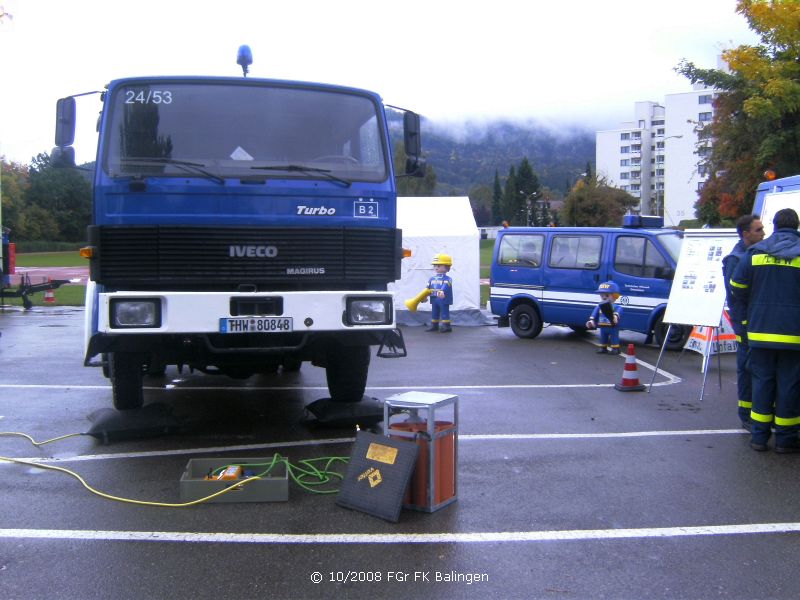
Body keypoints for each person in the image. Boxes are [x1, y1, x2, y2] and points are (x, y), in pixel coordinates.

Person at [730, 208, 800, 453]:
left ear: (776, 225)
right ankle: (785, 440)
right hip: (794, 335)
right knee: (789, 385)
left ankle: (759, 438)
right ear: (797, 226)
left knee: (761, 383)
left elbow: (737, 287)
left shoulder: (756, 252)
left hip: (759, 332)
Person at [722, 214, 765, 431]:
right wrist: (745, 322)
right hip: (745, 323)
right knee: (746, 368)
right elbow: (735, 295)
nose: (763, 233)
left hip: (756, 321)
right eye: (758, 230)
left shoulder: (755, 254)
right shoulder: (735, 259)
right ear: (746, 233)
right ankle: (746, 414)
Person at [586, 281, 623, 354]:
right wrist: (591, 320)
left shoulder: (616, 307)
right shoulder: (600, 306)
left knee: (614, 337)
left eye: (606, 295)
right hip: (603, 325)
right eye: (601, 295)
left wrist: (616, 317)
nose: (604, 297)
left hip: (613, 325)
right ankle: (603, 347)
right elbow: (594, 314)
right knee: (603, 337)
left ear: (615, 296)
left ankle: (615, 348)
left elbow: (619, 312)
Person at [426, 254, 454, 333]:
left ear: (447, 267)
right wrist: (424, 296)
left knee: (444, 311)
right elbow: (427, 287)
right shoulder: (432, 278)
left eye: (438, 265)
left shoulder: (448, 278)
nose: (436, 267)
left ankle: (446, 326)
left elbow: (446, 285)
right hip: (434, 298)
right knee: (434, 312)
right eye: (435, 265)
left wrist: (442, 291)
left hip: (443, 298)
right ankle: (434, 325)